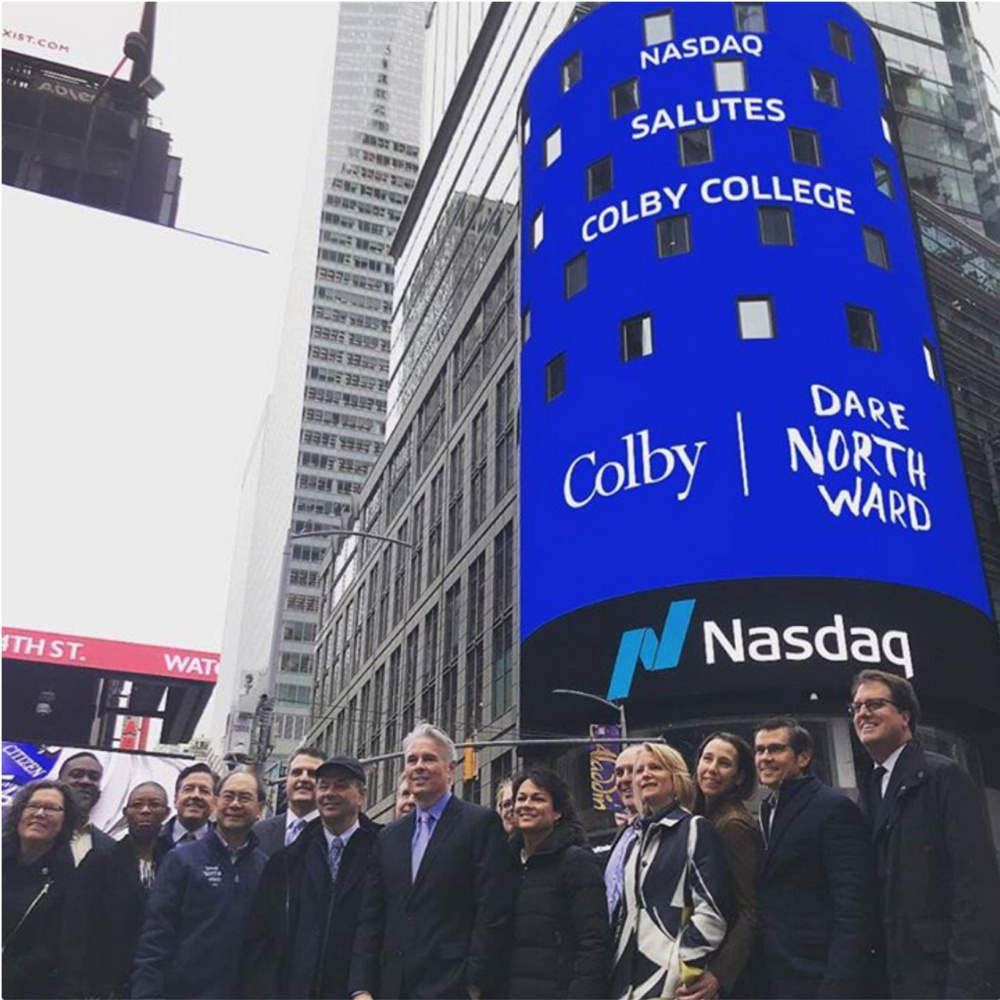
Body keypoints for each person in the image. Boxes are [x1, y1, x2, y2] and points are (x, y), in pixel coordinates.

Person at [850, 669, 1000, 999]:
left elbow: (975, 889)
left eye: (874, 704)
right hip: (893, 980)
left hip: (941, 980)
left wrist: (967, 988)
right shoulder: (870, 789)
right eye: (857, 707)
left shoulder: (943, 777)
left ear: (905, 716)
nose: (863, 713)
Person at [349, 722, 514, 1000]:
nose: (419, 766)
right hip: (392, 987)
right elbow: (372, 916)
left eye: (429, 758)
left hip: (453, 986)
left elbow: (493, 910)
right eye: (412, 760)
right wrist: (361, 987)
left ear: (450, 769)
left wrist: (475, 985)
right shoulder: (389, 837)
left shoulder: (480, 824)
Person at [754, 717, 875, 999]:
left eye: (775, 749)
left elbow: (855, 908)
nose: (765, 758)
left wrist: (837, 987)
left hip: (819, 979)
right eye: (759, 750)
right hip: (780, 978)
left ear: (803, 757)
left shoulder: (833, 808)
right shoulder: (768, 809)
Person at [244, 755, 381, 999]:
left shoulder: (382, 850)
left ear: (361, 796)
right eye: (324, 786)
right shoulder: (287, 861)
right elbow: (262, 938)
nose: (330, 793)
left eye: (340, 785)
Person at [131, 770, 267, 999]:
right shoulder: (182, 859)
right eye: (228, 796)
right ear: (215, 802)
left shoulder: (265, 868)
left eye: (244, 798)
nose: (234, 804)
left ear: (260, 808)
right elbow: (155, 937)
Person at [611, 743, 730, 1000]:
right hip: (626, 985)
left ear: (675, 778)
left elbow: (712, 912)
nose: (645, 775)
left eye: (655, 768)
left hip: (674, 987)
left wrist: (682, 967)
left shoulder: (695, 829)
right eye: (639, 770)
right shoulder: (634, 840)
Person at [59, 781, 171, 999]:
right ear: (126, 812)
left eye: (154, 804)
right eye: (137, 805)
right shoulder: (101, 859)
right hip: (105, 982)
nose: (145, 810)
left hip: (155, 979)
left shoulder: (173, 860)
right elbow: (76, 925)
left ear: (166, 813)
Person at [506, 767, 610, 999]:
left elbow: (593, 943)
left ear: (557, 812)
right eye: (520, 798)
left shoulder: (577, 862)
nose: (526, 805)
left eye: (538, 798)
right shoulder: (505, 864)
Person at [680, 733, 761, 1000]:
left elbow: (749, 908)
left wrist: (718, 975)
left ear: (739, 776)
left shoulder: (732, 825)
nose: (712, 769)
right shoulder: (700, 816)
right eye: (707, 759)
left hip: (726, 974)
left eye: (724, 763)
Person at [2, 780, 80, 1000]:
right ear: (19, 813)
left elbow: (50, 949)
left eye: (52, 808)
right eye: (33, 806)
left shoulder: (68, 878)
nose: (40, 813)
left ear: (65, 821)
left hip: (23, 989)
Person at [253, 745, 325, 856]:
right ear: (286, 781)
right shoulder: (257, 833)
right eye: (297, 772)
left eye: (312, 774)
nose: (303, 778)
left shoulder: (337, 833)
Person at [58, 751, 116, 865]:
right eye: (76, 774)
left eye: (94, 777)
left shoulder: (110, 847)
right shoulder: (35, 830)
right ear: (58, 782)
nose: (86, 781)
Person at [604, 745, 641, 923]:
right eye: (619, 773)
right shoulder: (624, 832)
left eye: (632, 770)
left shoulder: (666, 832)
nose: (624, 779)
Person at [156, 762, 217, 854]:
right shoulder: (152, 840)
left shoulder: (224, 846)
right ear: (176, 799)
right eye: (188, 789)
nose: (195, 795)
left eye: (204, 791)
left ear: (215, 803)